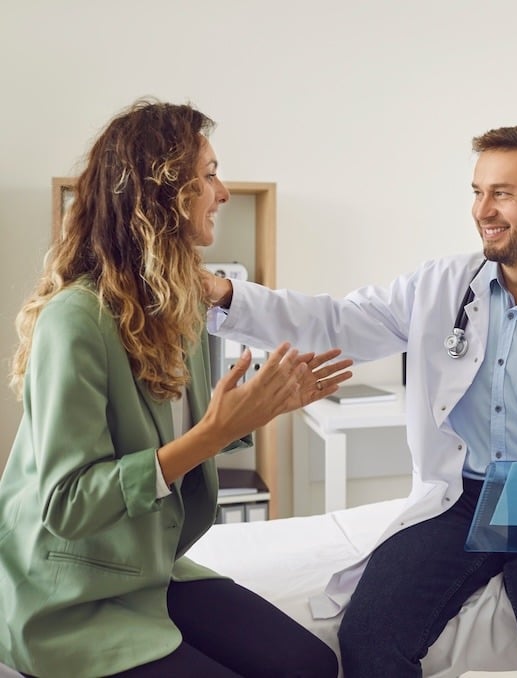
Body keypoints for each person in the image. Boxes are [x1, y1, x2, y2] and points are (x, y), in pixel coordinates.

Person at [205, 125, 517, 677]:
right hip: (458, 498)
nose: (484, 209)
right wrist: (228, 295)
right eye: (477, 191)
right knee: (368, 640)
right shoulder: (440, 286)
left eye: (502, 192)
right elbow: (336, 320)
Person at [0, 100, 351, 678]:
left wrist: (257, 410)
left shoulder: (175, 308)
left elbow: (184, 438)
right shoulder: (76, 320)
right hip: (70, 592)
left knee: (311, 666)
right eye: (209, 173)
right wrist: (218, 432)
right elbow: (66, 503)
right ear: (160, 192)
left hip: (148, 568)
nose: (224, 191)